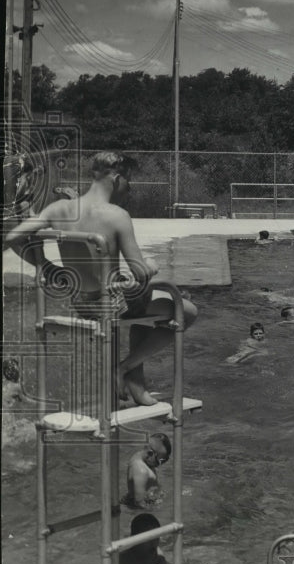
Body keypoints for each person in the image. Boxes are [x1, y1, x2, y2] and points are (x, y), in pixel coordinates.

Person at [3, 151, 198, 407]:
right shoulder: (116, 215)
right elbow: (139, 271)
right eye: (130, 182)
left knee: (146, 314)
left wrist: (46, 267)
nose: (131, 189)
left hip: (82, 304)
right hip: (114, 305)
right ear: (116, 179)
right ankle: (122, 368)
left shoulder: (59, 208)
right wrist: (152, 264)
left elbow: (11, 236)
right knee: (186, 310)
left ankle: (137, 387)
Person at [87, 513, 173, 564]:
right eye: (148, 539)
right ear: (134, 539)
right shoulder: (124, 559)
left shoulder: (156, 555)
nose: (153, 543)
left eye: (156, 537)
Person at [123, 433, 171, 509]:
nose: (160, 464)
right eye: (160, 461)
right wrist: (158, 511)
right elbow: (139, 503)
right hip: (142, 507)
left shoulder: (142, 457)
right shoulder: (141, 471)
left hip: (150, 499)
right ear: (150, 453)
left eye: (165, 460)